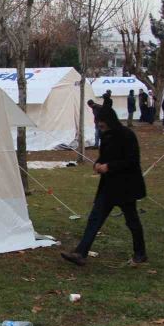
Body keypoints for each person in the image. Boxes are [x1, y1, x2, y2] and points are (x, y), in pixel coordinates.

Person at [60, 107, 148, 267]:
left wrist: (109, 167)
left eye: (102, 125)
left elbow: (132, 160)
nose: (100, 128)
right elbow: (105, 156)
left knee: (132, 221)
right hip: (109, 187)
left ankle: (140, 253)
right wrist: (98, 163)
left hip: (126, 187)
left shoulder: (127, 135)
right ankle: (81, 252)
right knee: (95, 218)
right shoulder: (106, 136)